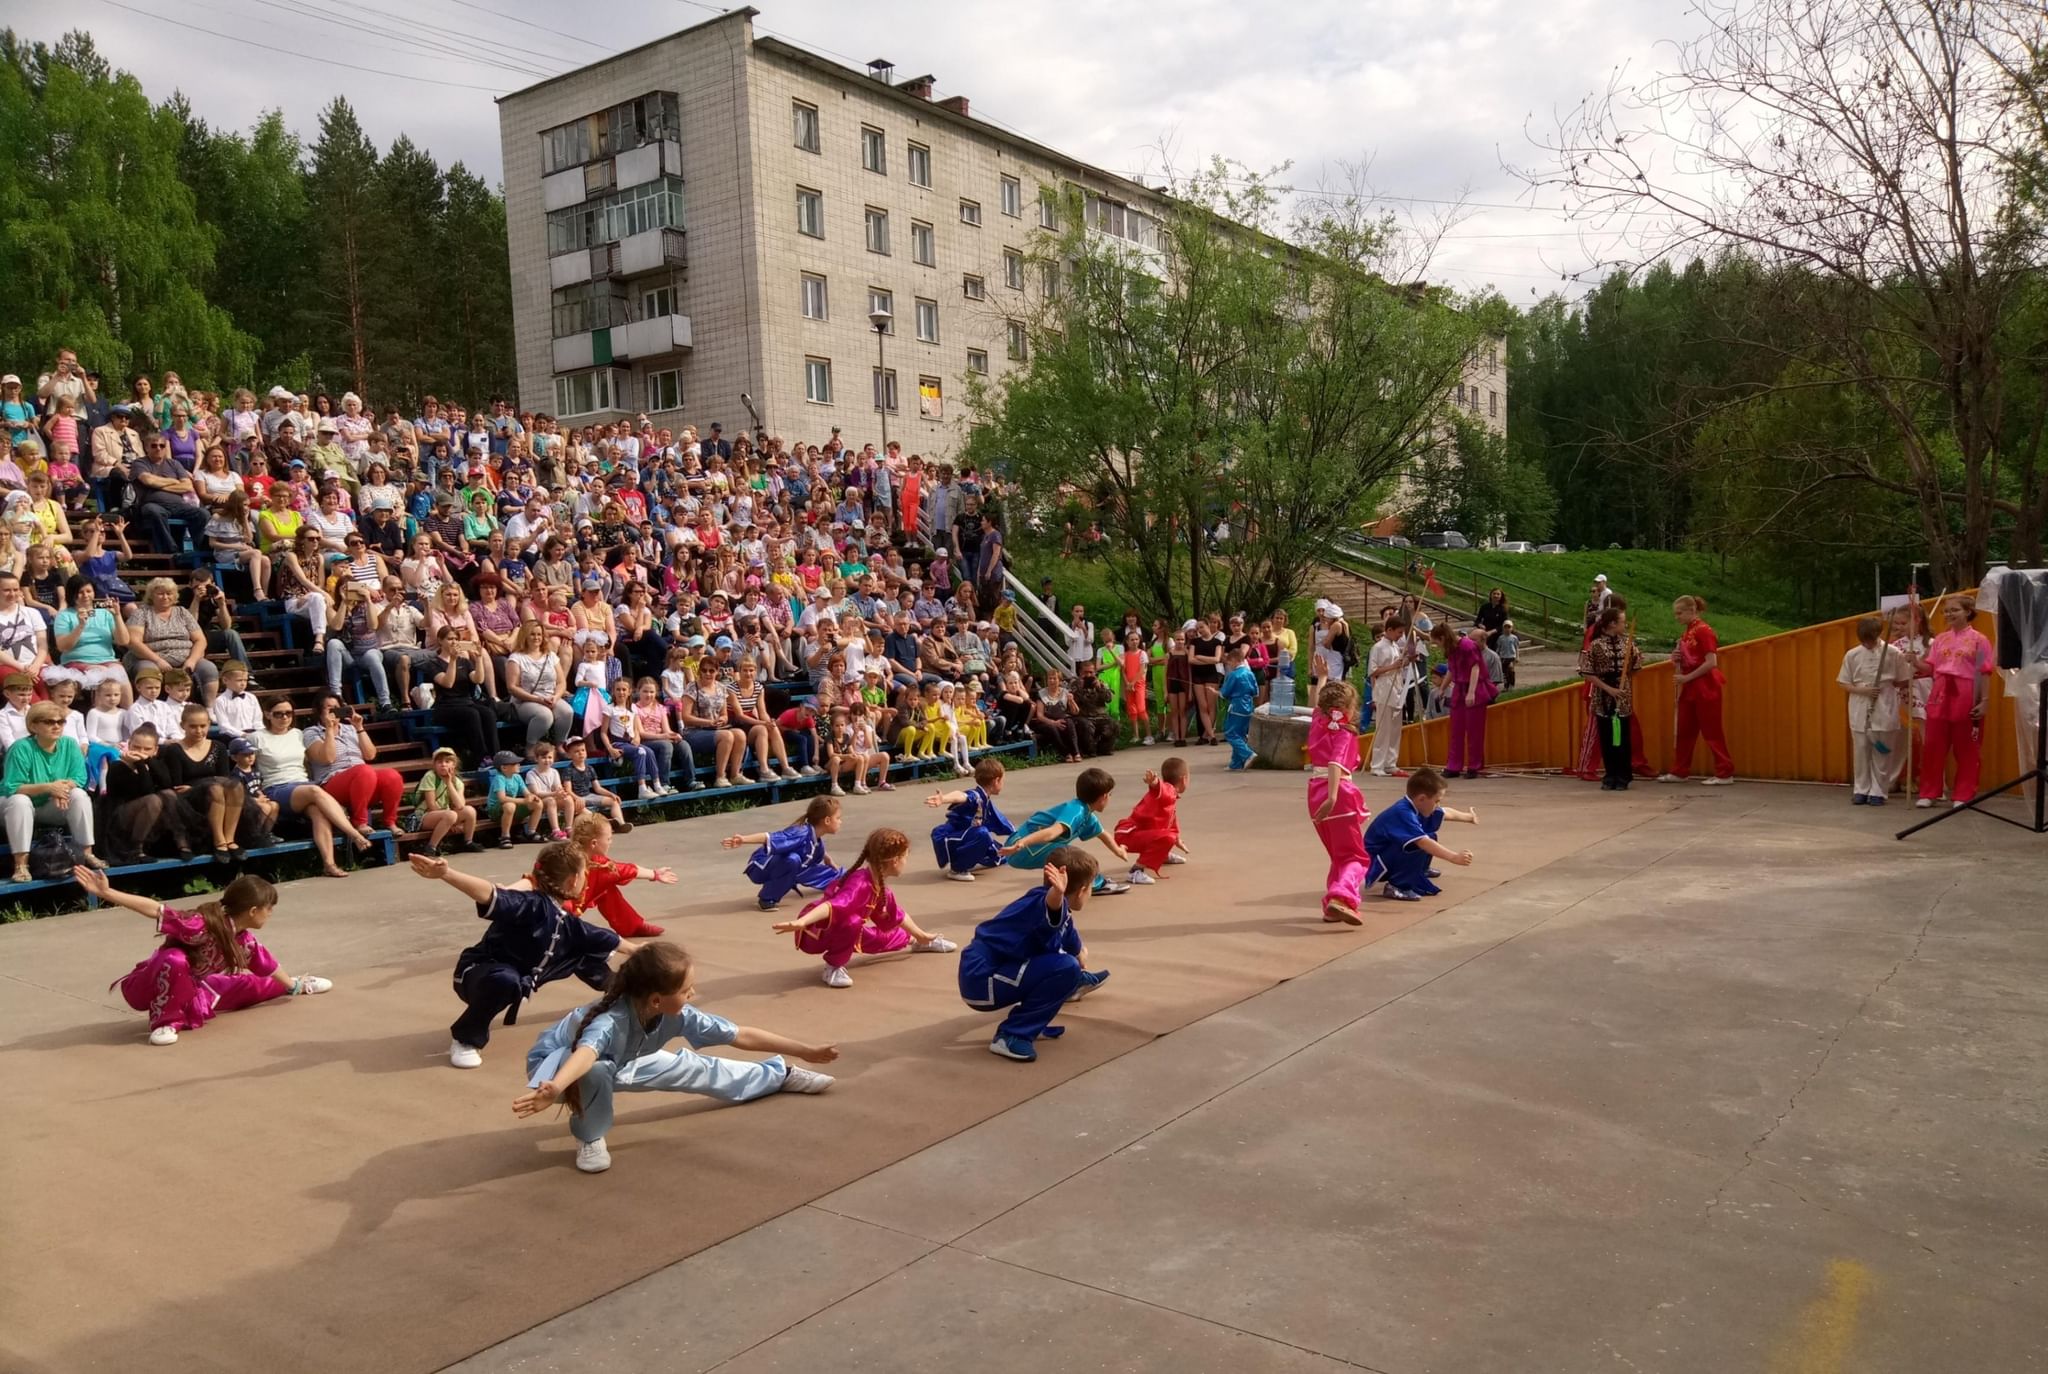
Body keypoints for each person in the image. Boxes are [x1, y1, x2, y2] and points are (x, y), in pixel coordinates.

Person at [515, 941, 837, 1174]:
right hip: (556, 1068)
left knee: (694, 1068)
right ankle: (591, 1135)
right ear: (657, 999)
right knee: (597, 1070)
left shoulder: (679, 1014)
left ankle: (778, 1075)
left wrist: (806, 1050)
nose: (692, 994)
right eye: (687, 990)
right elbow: (586, 1054)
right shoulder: (609, 1022)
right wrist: (556, 1087)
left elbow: (741, 1034)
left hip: (623, 1058)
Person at [416, 842, 622, 1070]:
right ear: (573, 880)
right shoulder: (530, 903)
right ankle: (466, 1039)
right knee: (505, 979)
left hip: (519, 976)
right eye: (585, 874)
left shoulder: (562, 914)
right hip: (480, 975)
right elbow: (491, 895)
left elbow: (600, 937)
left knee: (580, 946)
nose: (586, 879)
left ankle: (619, 992)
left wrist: (642, 952)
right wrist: (447, 873)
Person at [87, 868, 331, 1046]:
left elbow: (267, 965)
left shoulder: (244, 941)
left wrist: (293, 985)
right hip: (151, 984)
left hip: (195, 990)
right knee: (175, 959)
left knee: (248, 984)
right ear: (253, 910)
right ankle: (165, 1023)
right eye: (270, 909)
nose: (271, 914)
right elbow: (156, 909)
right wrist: (107, 892)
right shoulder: (199, 925)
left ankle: (298, 984)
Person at [959, 849, 1111, 1062]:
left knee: (1067, 961)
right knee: (1065, 966)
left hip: (987, 970)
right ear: (1082, 890)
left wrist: (1078, 952)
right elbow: (1051, 911)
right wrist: (1057, 894)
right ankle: (1011, 1035)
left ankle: (1072, 984)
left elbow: (1068, 933)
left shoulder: (1055, 907)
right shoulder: (1043, 903)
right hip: (982, 981)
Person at [770, 827, 956, 988]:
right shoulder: (860, 884)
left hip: (840, 928)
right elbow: (834, 906)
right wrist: (802, 922)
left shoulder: (880, 888)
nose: (906, 862)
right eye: (906, 857)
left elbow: (896, 916)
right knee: (853, 922)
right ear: (895, 860)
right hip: (815, 931)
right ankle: (833, 968)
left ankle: (916, 943)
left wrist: (922, 936)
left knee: (876, 936)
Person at [255, 700, 375, 877]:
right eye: (278, 713)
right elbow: (246, 768)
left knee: (318, 812)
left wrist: (332, 729)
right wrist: (255, 793)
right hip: (276, 787)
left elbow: (327, 757)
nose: (284, 717)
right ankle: (354, 834)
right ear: (267, 714)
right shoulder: (257, 737)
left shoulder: (297, 734)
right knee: (316, 791)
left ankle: (329, 864)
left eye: (288, 713)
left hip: (303, 785)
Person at [2, 701, 106, 882]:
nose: (56, 726)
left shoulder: (70, 744)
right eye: (49, 722)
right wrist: (50, 787)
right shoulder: (21, 748)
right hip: (14, 807)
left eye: (60, 722)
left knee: (79, 795)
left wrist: (62, 790)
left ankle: (87, 853)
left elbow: (79, 778)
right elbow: (12, 786)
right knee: (20, 800)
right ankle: (21, 864)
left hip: (53, 805)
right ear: (33, 725)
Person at [999, 766, 1133, 894]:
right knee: (1076, 858)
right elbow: (1052, 832)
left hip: (1024, 848)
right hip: (1021, 849)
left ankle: (1058, 889)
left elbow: (1102, 834)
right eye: (1110, 794)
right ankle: (1097, 885)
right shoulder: (1076, 811)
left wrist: (1119, 851)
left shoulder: (1087, 814)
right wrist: (1022, 843)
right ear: (1104, 797)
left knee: (1066, 856)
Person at [1915, 595, 1994, 809]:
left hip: (1967, 691)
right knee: (1933, 745)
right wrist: (1914, 661)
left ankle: (1964, 793)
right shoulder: (1940, 639)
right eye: (1946, 611)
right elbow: (1930, 668)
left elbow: (1986, 672)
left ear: (1968, 611)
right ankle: (1929, 791)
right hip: (1940, 691)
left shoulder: (1980, 640)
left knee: (1967, 745)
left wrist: (1984, 700)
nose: (1949, 614)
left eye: (1954, 610)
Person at [1363, 767, 1478, 901]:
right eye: (1437, 801)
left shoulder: (1416, 806)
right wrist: (1454, 857)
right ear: (1422, 798)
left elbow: (1445, 812)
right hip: (1374, 864)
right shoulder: (1403, 812)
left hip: (1386, 856)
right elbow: (1423, 842)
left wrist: (1469, 817)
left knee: (1430, 836)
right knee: (1418, 843)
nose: (1438, 805)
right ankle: (1398, 886)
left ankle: (1419, 870)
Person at [1306, 681, 1368, 925]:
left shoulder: (1319, 723)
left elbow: (1315, 706)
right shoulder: (1344, 733)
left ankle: (1332, 906)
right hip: (1337, 793)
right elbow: (1335, 763)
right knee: (1356, 857)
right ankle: (1341, 896)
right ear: (1350, 709)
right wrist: (1333, 797)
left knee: (1338, 855)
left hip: (1315, 793)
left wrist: (1321, 679)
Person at [1837, 616, 1912, 806]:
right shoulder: (1852, 654)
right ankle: (1860, 789)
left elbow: (1902, 679)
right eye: (1864, 640)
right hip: (1860, 703)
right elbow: (1843, 682)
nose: (1867, 644)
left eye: (1870, 639)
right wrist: (1862, 690)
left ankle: (1879, 791)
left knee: (1883, 749)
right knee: (1861, 749)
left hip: (1885, 702)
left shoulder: (1893, 652)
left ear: (1878, 634)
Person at [1661, 594, 1734, 785]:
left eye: (1679, 613)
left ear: (1691, 611)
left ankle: (1725, 772)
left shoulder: (1703, 631)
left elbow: (1711, 663)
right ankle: (1680, 770)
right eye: (1675, 613)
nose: (1677, 617)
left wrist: (1686, 677)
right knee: (1684, 729)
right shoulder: (1688, 632)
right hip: (1691, 687)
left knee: (1712, 731)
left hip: (1706, 687)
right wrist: (1676, 658)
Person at [726, 794, 843, 911]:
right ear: (827, 820)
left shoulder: (815, 838)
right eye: (838, 818)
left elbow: (813, 847)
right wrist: (743, 839)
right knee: (792, 860)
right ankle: (767, 899)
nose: (840, 822)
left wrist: (827, 858)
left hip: (794, 867)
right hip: (760, 867)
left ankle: (847, 879)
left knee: (841, 876)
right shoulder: (800, 832)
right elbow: (770, 837)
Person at [567, 812, 673, 939]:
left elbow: (624, 870)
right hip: (554, 920)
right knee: (602, 939)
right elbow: (626, 870)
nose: (610, 842)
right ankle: (632, 927)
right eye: (608, 839)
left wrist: (654, 874)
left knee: (606, 889)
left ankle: (632, 926)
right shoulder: (597, 865)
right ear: (594, 843)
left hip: (555, 914)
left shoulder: (568, 853)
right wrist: (655, 874)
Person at [1580, 607, 1642, 791]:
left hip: (1622, 695)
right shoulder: (1596, 645)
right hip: (1603, 694)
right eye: (1622, 622)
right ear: (1612, 624)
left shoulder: (1628, 644)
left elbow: (1635, 668)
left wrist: (1636, 663)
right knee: (1607, 736)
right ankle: (1610, 775)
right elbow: (1587, 672)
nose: (1625, 625)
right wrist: (1609, 689)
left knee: (1623, 736)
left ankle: (1623, 775)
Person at [925, 756, 1014, 881]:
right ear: (996, 780)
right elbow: (962, 796)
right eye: (1003, 780)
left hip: (968, 836)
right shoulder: (976, 796)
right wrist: (944, 798)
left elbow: (1000, 820)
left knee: (1000, 856)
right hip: (956, 838)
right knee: (983, 834)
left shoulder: (985, 799)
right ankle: (957, 869)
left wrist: (1019, 835)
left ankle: (974, 854)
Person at [1112, 756, 1189, 884]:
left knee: (1169, 835)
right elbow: (1162, 790)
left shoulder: (1171, 797)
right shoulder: (1168, 790)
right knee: (1168, 837)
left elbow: (1172, 823)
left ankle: (1162, 855)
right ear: (1184, 780)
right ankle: (1135, 871)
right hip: (1128, 835)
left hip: (1132, 833)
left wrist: (1177, 840)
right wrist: (1155, 783)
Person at [1437, 621, 1497, 780]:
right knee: (1456, 729)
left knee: (1474, 730)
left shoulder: (1468, 646)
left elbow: (1475, 668)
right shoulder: (1452, 649)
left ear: (1442, 638)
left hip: (1474, 688)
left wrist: (1471, 692)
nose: (1437, 645)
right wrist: (1442, 688)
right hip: (1459, 689)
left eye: (1437, 642)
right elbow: (1451, 669)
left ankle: (1474, 765)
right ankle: (1453, 765)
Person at [409, 747, 480, 857]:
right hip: (424, 816)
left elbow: (460, 805)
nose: (443, 764)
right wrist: (450, 820)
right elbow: (431, 805)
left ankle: (468, 842)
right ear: (434, 764)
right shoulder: (430, 776)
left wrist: (449, 783)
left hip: (446, 815)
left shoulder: (457, 782)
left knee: (470, 811)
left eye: (447, 761)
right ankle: (431, 847)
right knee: (451, 815)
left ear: (454, 764)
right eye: (439, 762)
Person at [1366, 615, 1412, 777]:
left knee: (1394, 729)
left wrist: (1405, 662)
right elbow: (1372, 671)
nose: (1400, 635)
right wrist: (1392, 666)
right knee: (1383, 729)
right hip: (1384, 688)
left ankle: (1390, 763)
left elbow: (1397, 666)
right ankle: (1377, 765)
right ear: (1390, 630)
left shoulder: (1394, 646)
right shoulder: (1378, 647)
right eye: (1399, 632)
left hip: (1396, 688)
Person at [486, 748, 543, 846]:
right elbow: (502, 799)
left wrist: (531, 797)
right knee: (509, 805)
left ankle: (531, 832)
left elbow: (526, 793)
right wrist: (524, 800)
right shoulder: (499, 778)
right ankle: (505, 837)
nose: (518, 765)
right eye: (515, 763)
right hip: (496, 811)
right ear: (504, 768)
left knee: (538, 803)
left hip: (511, 808)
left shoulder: (517, 777)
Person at [1220, 643, 1259, 770]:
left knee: (1230, 733)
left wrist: (1218, 692)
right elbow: (1255, 691)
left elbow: (1225, 692)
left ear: (1235, 660)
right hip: (1248, 705)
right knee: (1240, 734)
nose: (1229, 665)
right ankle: (1236, 763)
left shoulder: (1234, 675)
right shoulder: (1249, 673)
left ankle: (1248, 754)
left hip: (1237, 706)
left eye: (1230, 662)